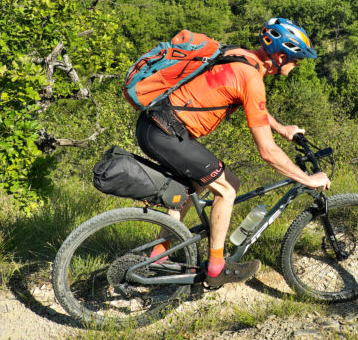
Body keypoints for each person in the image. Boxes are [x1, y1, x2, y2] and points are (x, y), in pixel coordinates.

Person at [135, 17, 331, 287]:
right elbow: (267, 152)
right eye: (296, 60)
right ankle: (216, 268)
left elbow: (254, 106)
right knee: (228, 187)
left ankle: (158, 256)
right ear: (282, 56)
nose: (297, 65)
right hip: (167, 134)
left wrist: (282, 128)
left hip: (154, 124)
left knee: (195, 185)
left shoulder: (240, 55)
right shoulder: (252, 78)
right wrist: (308, 179)